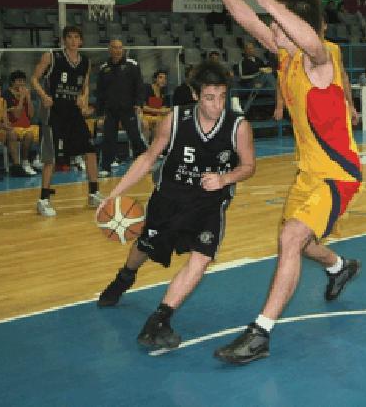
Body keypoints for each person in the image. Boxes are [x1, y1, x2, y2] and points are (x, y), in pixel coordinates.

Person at [189, 0, 362, 364]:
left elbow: (313, 44)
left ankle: (260, 334)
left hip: (337, 174)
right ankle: (339, 266)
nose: (271, 28)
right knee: (299, 244)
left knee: (290, 238)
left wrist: (269, 0)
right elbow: (246, 19)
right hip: (308, 173)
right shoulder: (286, 56)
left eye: (278, 22)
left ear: (298, 24)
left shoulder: (321, 59)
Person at [95, 60, 256, 350]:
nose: (217, 104)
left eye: (221, 97)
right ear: (195, 95)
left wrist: (225, 178)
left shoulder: (238, 126)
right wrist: (114, 193)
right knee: (145, 245)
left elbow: (248, 166)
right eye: (209, 97)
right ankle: (124, 277)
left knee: (202, 256)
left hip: (209, 203)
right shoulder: (175, 119)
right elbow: (147, 158)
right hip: (169, 197)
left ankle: (160, 319)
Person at [31, 25, 105, 217]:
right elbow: (34, 79)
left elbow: (85, 85)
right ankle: (43, 199)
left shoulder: (85, 62)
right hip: (54, 112)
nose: (73, 40)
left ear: (81, 41)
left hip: (73, 112)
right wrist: (43, 96)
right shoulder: (52, 57)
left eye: (76, 37)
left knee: (90, 150)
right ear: (64, 40)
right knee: (51, 158)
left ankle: (93, 192)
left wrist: (84, 99)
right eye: (69, 37)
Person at [96, 38, 148, 178]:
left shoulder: (132, 65)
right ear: (109, 49)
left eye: (120, 47)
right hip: (110, 111)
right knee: (108, 138)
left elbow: (139, 86)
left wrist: (139, 103)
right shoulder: (103, 68)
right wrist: (100, 113)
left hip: (129, 108)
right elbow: (100, 92)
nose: (117, 50)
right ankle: (106, 167)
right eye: (114, 47)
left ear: (123, 49)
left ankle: (143, 165)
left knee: (135, 137)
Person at [4, 70, 39, 176]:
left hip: (27, 125)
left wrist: (28, 99)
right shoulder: (7, 94)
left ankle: (37, 159)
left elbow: (31, 115)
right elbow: (16, 115)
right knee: (29, 135)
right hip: (14, 126)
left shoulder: (25, 95)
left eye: (23, 81)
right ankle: (25, 162)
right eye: (19, 81)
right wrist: (21, 98)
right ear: (12, 82)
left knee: (46, 130)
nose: (22, 84)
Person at [141, 69, 172, 143]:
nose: (163, 80)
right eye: (160, 78)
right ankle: (145, 148)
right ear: (155, 79)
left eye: (165, 78)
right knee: (147, 124)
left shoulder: (163, 92)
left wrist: (166, 110)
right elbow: (143, 107)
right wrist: (160, 111)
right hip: (144, 116)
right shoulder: (147, 88)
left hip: (156, 117)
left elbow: (163, 107)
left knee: (162, 122)